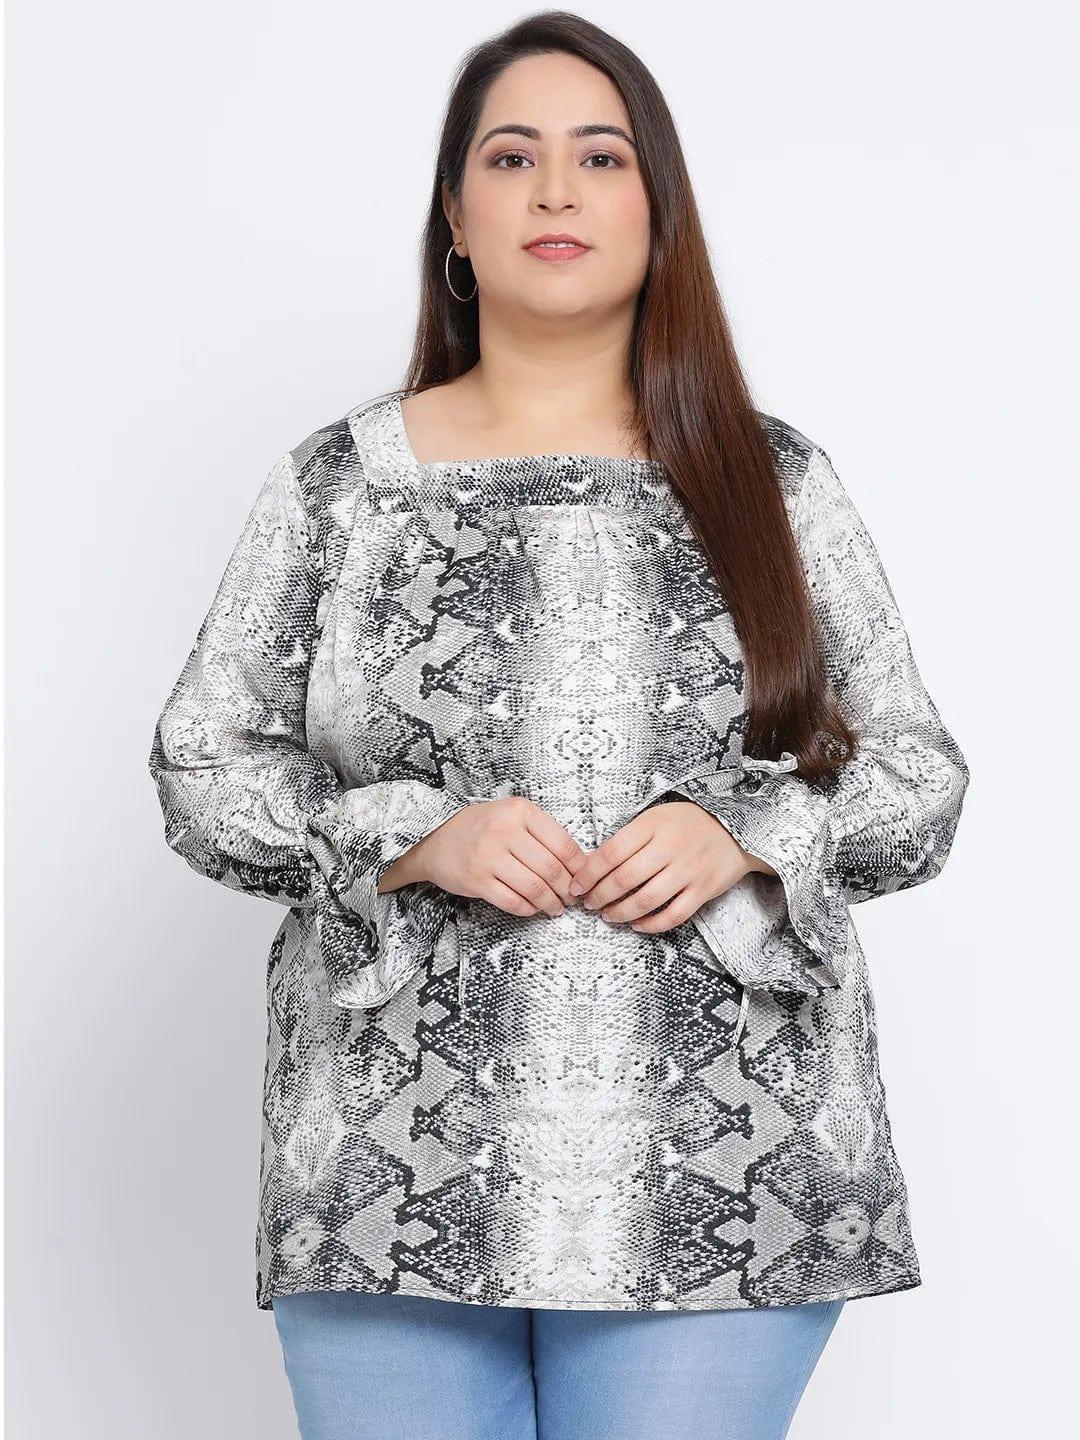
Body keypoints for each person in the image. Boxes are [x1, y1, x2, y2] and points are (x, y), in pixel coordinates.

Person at [147, 11, 970, 1439]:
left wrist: (742, 833)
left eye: (601, 156)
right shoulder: (340, 484)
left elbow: (919, 777)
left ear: (660, 209)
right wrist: (409, 838)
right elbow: (201, 768)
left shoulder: (774, 483)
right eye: (510, 156)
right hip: (390, 1151)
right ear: (455, 217)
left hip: (727, 1151)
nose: (554, 191)